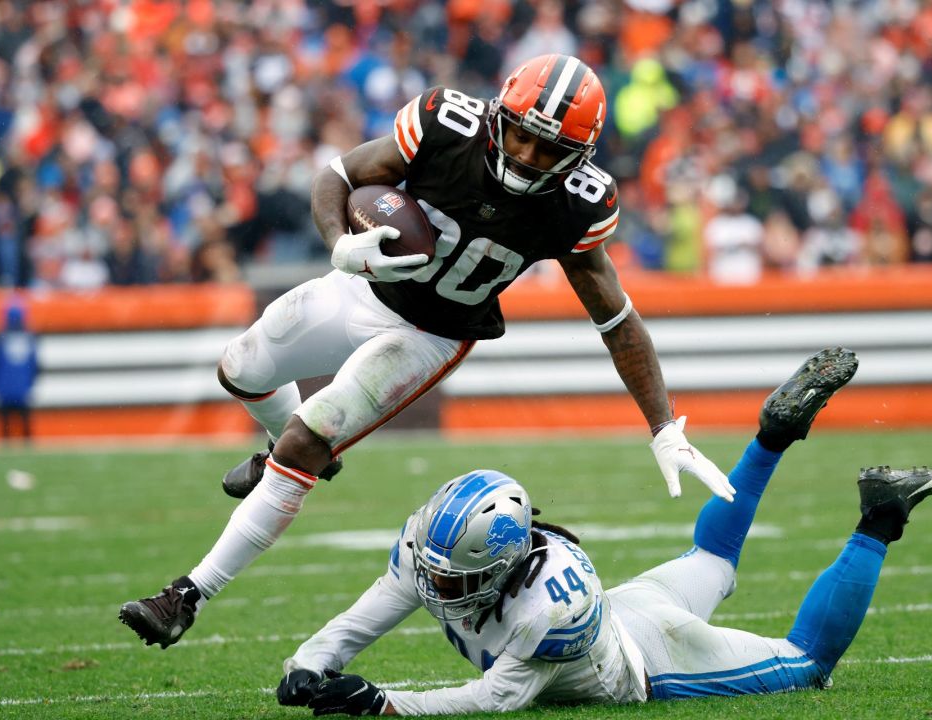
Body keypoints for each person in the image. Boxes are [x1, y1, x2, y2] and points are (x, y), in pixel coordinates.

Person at [120, 54, 730, 648]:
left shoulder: (578, 203)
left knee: (311, 437)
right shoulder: (446, 123)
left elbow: (617, 320)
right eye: (520, 135)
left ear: (578, 158)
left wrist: (662, 427)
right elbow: (337, 174)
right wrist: (338, 244)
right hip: (363, 286)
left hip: (431, 334)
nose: (525, 156)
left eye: (547, 150)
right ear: (497, 116)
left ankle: (187, 596)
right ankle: (278, 450)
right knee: (240, 368)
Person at [269, 348, 932, 715]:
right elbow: (370, 613)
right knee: (713, 553)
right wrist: (310, 664)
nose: (436, 584)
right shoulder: (435, 546)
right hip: (629, 609)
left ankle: (880, 516)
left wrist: (381, 704)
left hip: (658, 662)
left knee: (807, 664)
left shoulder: (547, 612)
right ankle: (770, 436)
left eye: (455, 577)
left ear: (499, 567)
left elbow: (493, 697)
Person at [0, 303, 40, 443]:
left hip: (4, 390)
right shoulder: (30, 338)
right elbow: (35, 366)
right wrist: (30, 384)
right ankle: (29, 449)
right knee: (26, 427)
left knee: (5, 429)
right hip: (23, 391)